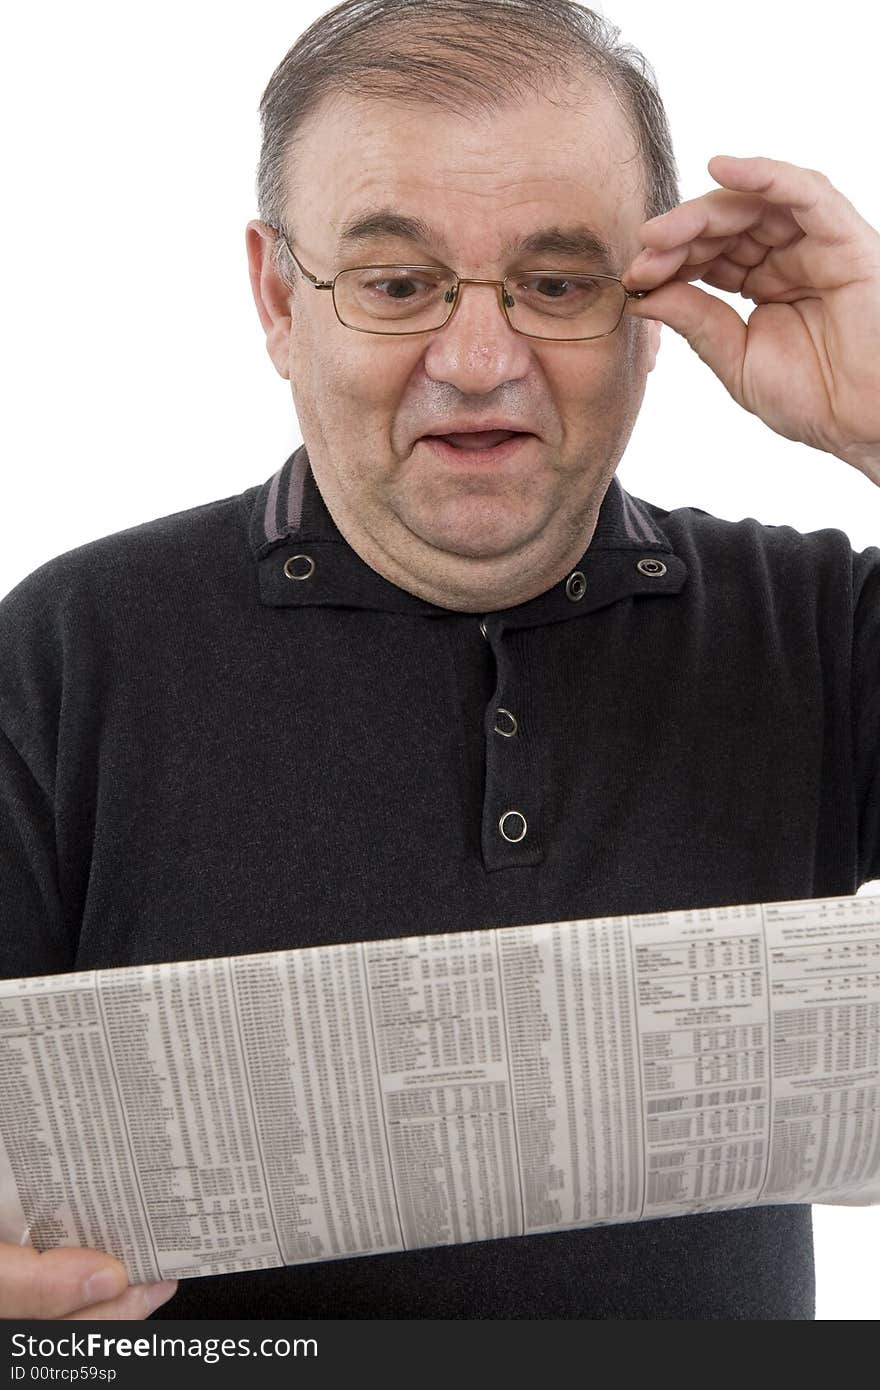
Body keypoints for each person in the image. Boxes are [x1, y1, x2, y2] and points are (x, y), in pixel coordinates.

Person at [1, 0, 879, 1321]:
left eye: (560, 282)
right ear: (277, 298)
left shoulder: (809, 629)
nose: (479, 362)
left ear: (648, 314)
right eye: (400, 284)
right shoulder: (67, 654)